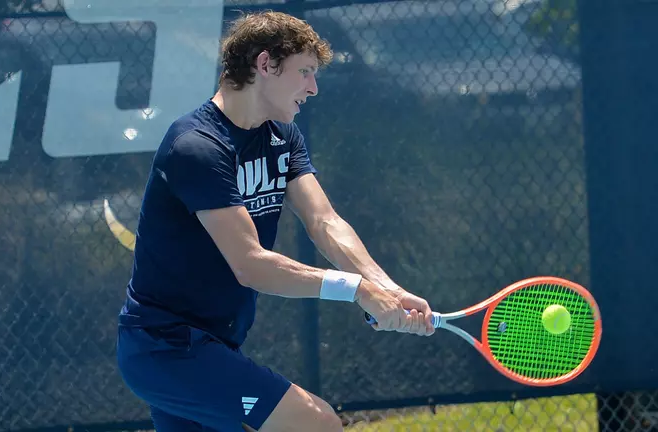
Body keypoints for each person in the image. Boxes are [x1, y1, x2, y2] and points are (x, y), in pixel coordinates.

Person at [116, 10, 435, 432]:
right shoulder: (197, 147)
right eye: (304, 71)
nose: (313, 87)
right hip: (166, 348)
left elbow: (324, 222)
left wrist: (387, 289)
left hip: (212, 345)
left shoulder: (281, 137)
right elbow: (250, 265)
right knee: (317, 423)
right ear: (265, 64)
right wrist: (357, 289)